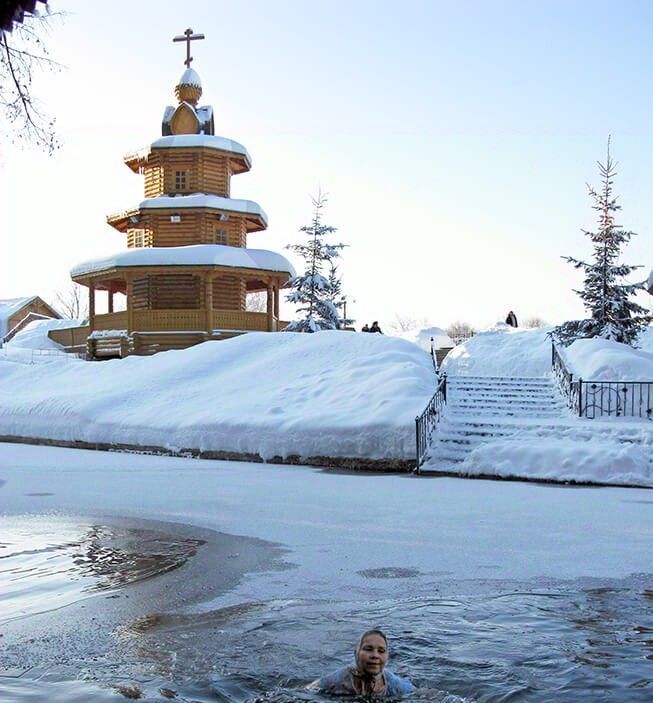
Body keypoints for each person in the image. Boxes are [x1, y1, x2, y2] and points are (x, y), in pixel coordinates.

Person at [313, 629, 414, 697]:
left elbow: (420, 692)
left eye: (381, 651)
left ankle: (401, 670)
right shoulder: (336, 681)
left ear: (387, 656)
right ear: (355, 653)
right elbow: (305, 690)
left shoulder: (393, 684)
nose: (375, 655)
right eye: (368, 649)